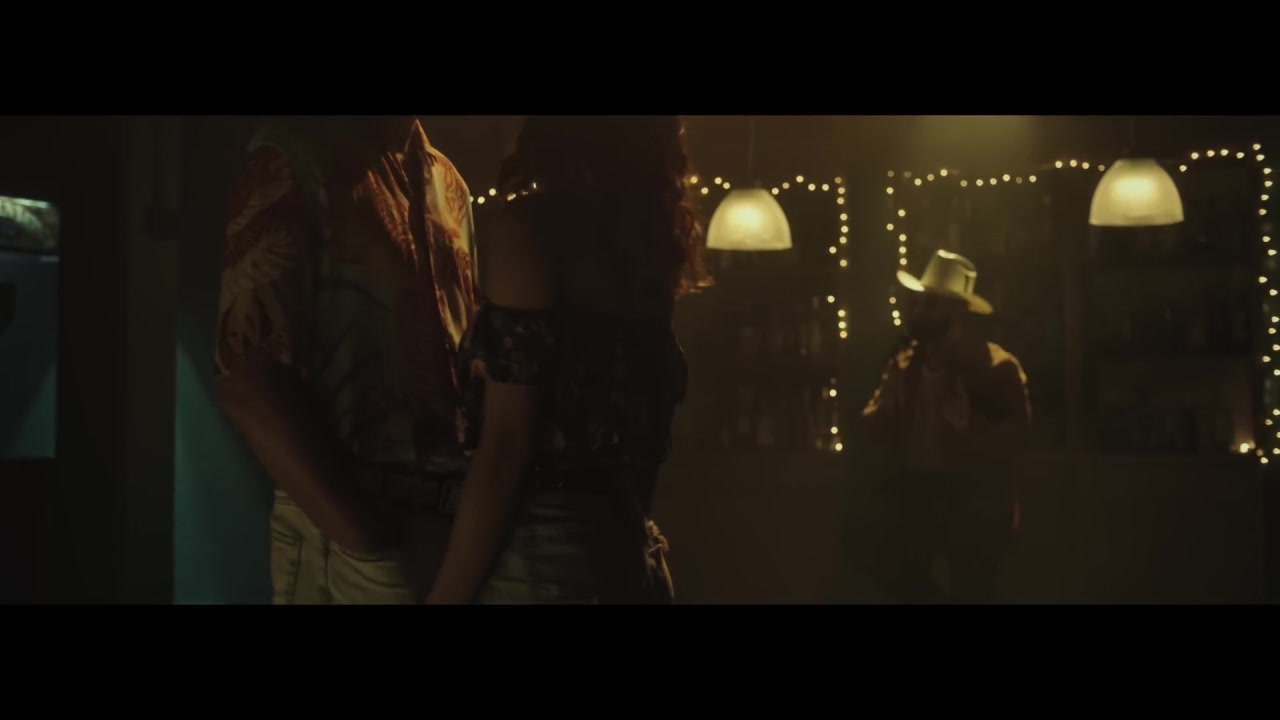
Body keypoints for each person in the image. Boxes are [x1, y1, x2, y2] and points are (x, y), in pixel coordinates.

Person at [424, 116, 707, 604]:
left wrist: (445, 597)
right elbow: (646, 445)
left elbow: (507, 450)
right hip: (626, 546)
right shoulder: (648, 248)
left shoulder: (531, 232)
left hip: (540, 557)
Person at [214, 116, 478, 604]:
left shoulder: (447, 181)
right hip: (360, 538)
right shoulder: (294, 158)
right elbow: (249, 382)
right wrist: (368, 541)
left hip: (446, 535)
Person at [861, 249, 1030, 603]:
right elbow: (873, 427)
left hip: (973, 503)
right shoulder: (905, 362)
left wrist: (970, 427)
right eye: (919, 302)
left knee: (972, 587)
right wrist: (886, 406)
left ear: (958, 312)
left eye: (931, 304)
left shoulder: (996, 367)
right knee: (874, 551)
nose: (918, 311)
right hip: (916, 495)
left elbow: (1016, 442)